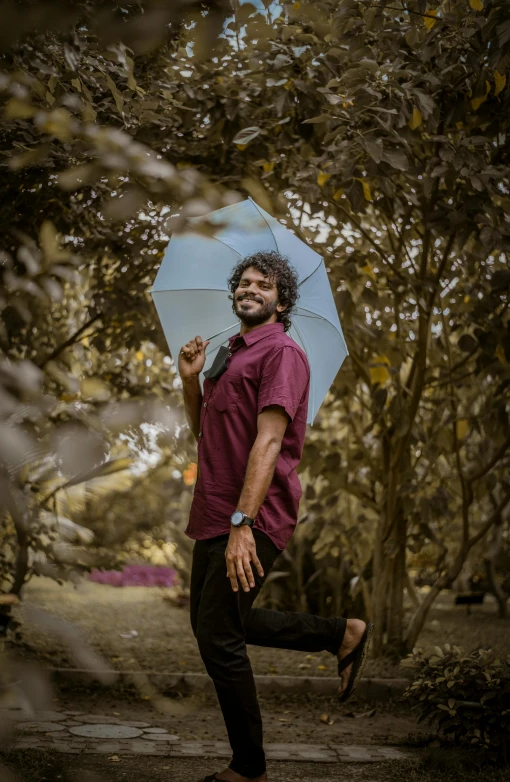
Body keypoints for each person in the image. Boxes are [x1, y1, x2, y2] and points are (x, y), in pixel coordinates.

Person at [178, 251, 373, 782]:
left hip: (253, 513)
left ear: (281, 300)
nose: (251, 289)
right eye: (244, 283)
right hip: (216, 508)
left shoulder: (282, 353)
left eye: (264, 285)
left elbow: (268, 441)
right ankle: (341, 633)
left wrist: (244, 525)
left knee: (219, 637)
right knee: (211, 625)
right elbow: (203, 429)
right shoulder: (228, 352)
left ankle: (249, 769)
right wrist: (190, 379)